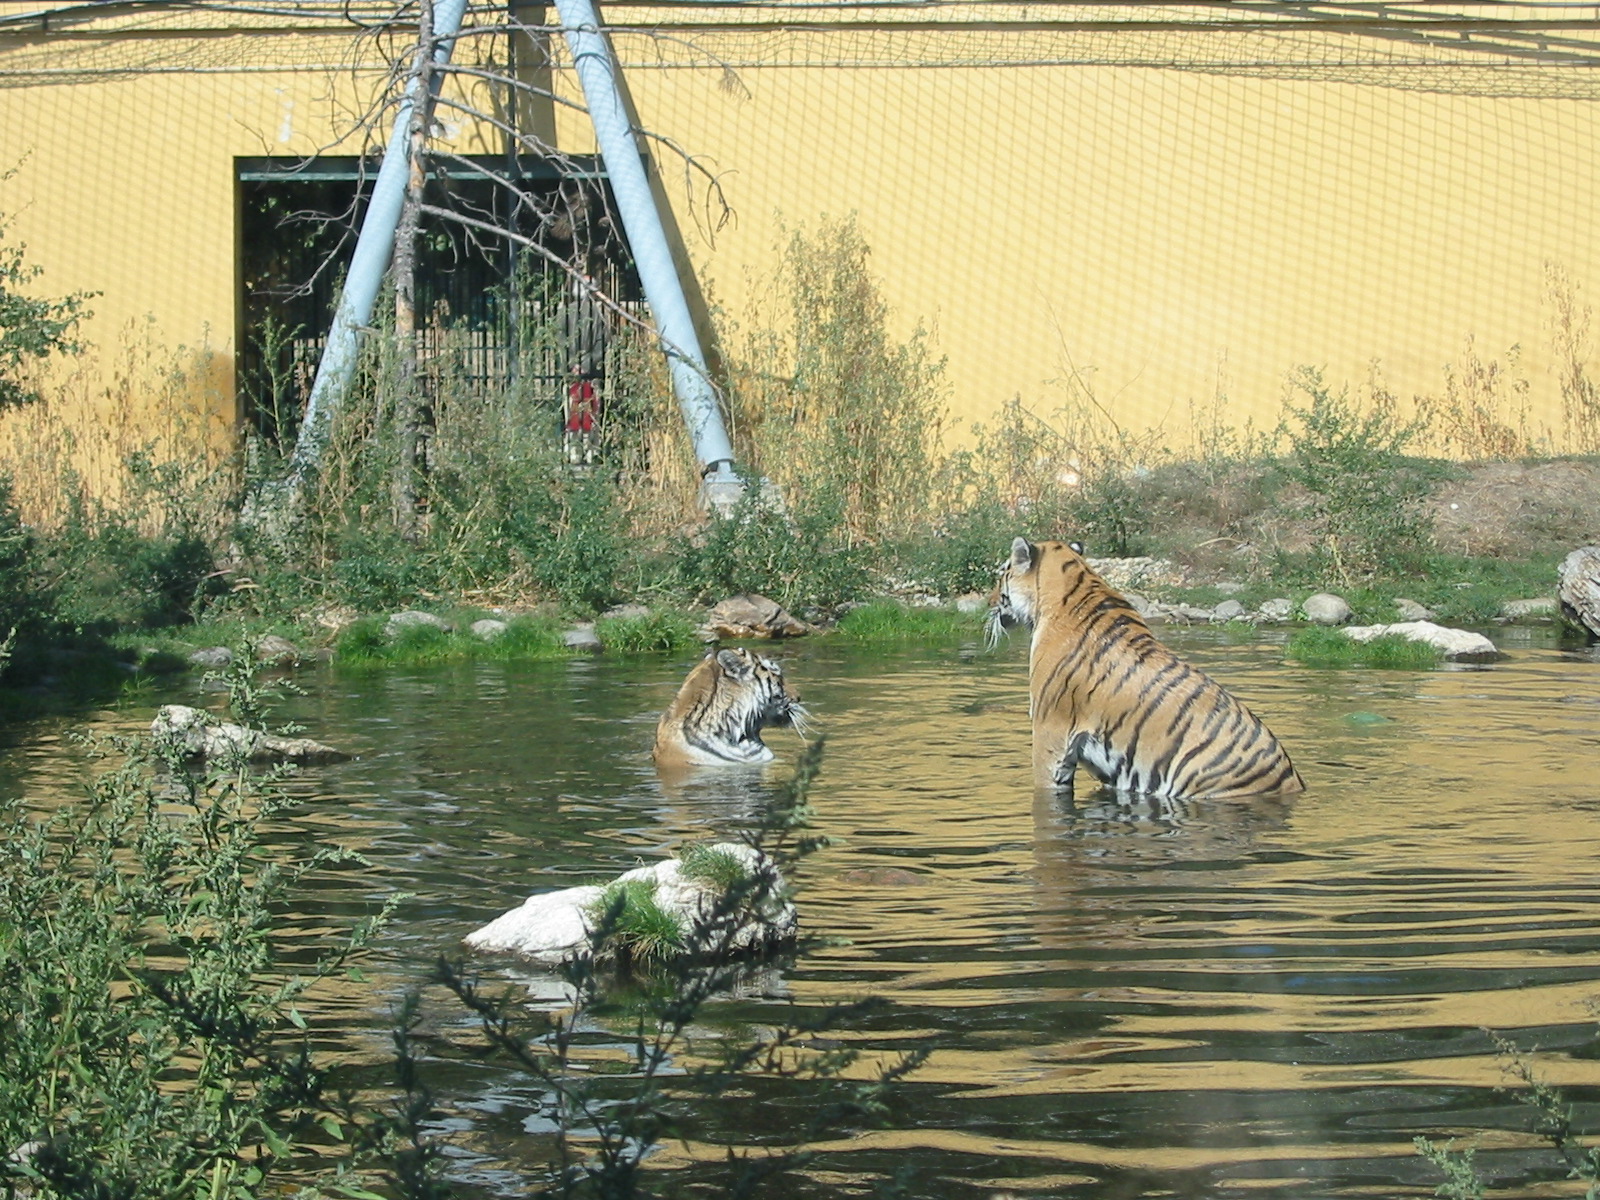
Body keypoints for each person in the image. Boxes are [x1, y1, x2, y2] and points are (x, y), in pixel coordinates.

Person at [559, 274, 611, 464]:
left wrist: (574, 364)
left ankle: (582, 452)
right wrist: (580, 365)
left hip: (585, 375)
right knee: (579, 414)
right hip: (582, 374)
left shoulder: (597, 315)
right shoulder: (568, 313)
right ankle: (583, 452)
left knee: (585, 414)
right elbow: (562, 342)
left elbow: (601, 345)